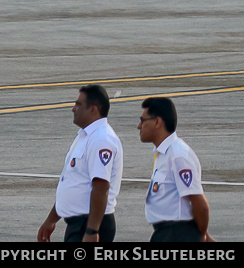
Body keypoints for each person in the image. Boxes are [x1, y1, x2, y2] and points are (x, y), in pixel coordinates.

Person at [38, 84, 124, 243]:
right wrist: (51, 219)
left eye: (78, 104)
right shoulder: (85, 137)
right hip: (79, 224)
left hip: (90, 224)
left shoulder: (101, 139)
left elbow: (101, 187)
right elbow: (74, 184)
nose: (73, 108)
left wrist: (92, 231)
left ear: (93, 109)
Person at [138, 96, 214, 243]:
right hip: (166, 233)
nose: (138, 126)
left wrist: (202, 236)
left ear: (157, 122)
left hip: (176, 235)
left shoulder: (178, 155)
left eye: (142, 120)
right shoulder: (164, 153)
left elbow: (200, 204)